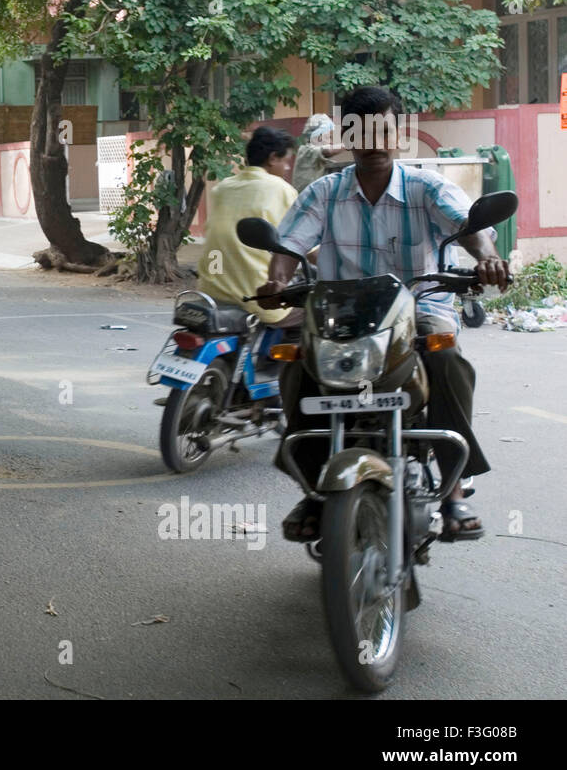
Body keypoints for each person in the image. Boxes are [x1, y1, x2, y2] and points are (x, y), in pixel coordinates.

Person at [256, 85, 510, 543]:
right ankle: (314, 489)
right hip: (342, 319)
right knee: (295, 368)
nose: (374, 141)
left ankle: (452, 489)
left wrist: (487, 259)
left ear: (399, 134)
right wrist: (278, 281)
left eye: (384, 129)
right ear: (347, 136)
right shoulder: (324, 193)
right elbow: (289, 244)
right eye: (361, 131)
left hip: (418, 312)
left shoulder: (425, 187)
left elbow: (470, 229)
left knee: (445, 357)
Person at [196, 126, 301, 327]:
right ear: (273, 158)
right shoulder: (280, 189)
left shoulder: (223, 188)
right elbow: (306, 244)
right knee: (313, 313)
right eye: (286, 162)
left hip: (210, 290)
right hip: (254, 297)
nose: (287, 169)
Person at [291, 113, 340, 192]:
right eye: (328, 137)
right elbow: (328, 151)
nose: (331, 142)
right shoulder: (306, 151)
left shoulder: (318, 157)